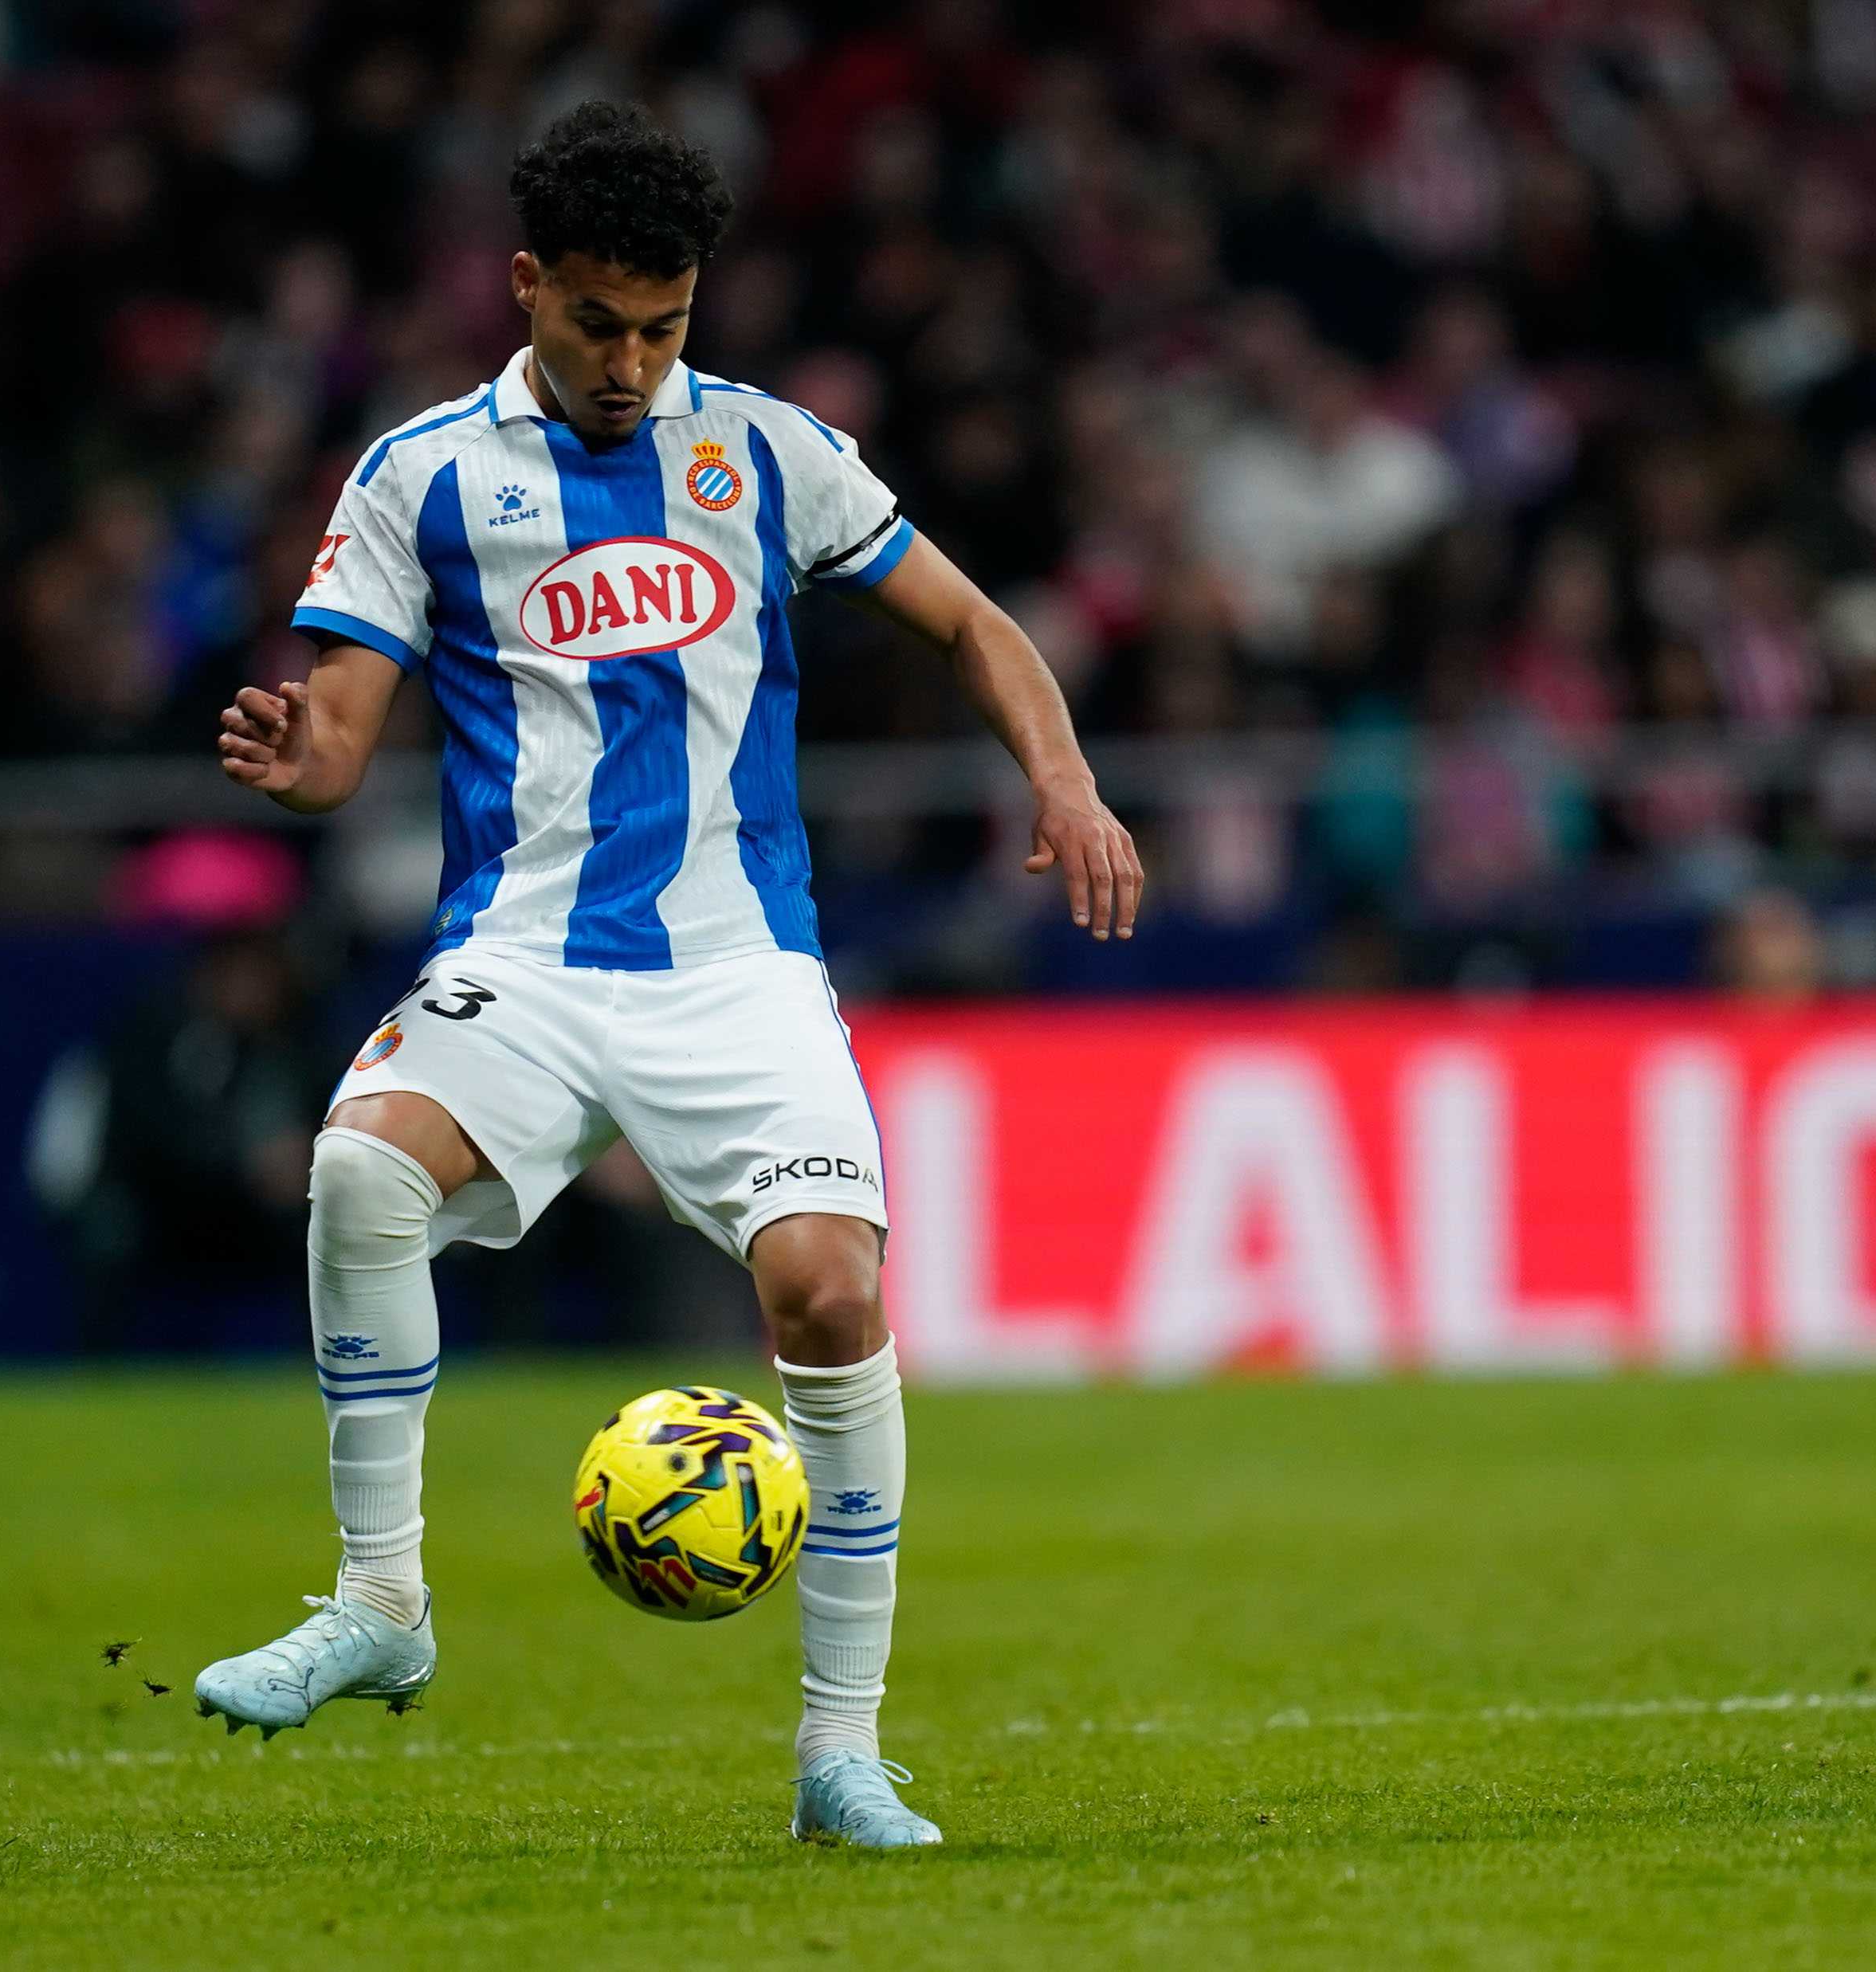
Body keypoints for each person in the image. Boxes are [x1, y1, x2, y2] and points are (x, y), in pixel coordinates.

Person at [192, 101, 1141, 1849]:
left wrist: (1066, 781)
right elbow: (334, 746)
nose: (630, 365)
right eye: (597, 323)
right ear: (525, 284)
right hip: (524, 959)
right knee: (361, 1169)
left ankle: (840, 1756)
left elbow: (975, 622)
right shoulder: (420, 476)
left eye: (665, 326)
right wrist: (289, 755)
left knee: (831, 1299)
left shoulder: (771, 452)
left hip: (736, 966)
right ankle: (381, 1602)